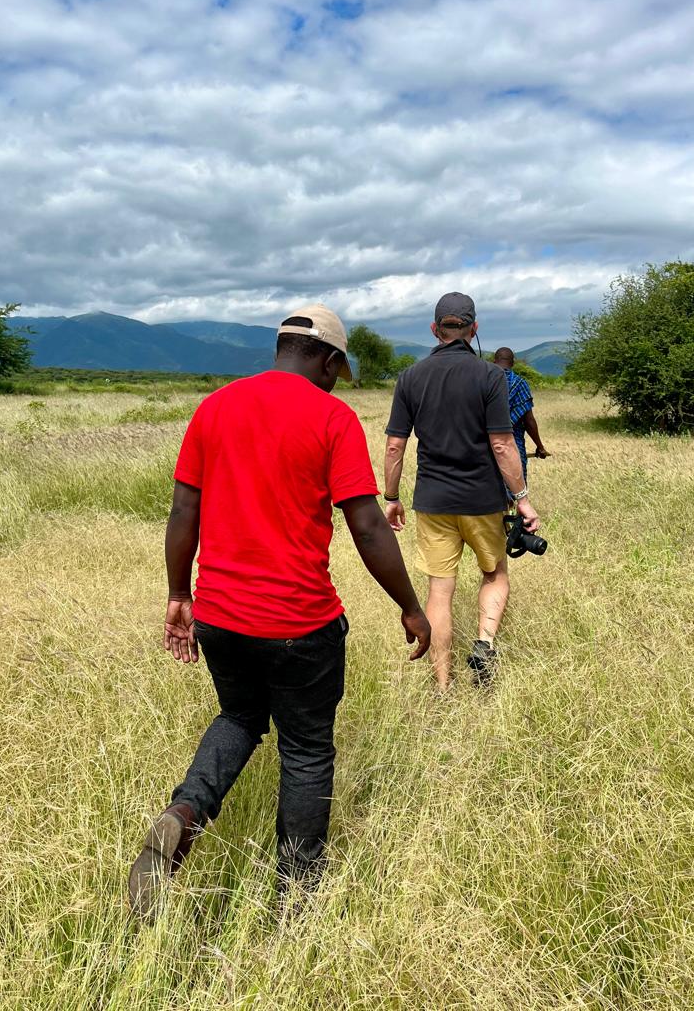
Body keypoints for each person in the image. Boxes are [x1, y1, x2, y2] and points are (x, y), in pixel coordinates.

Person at [129, 305, 431, 922]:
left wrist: (178, 594)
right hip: (299, 622)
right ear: (329, 360)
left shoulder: (216, 407)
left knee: (240, 714)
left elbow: (184, 511)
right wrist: (410, 605)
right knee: (307, 749)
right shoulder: (332, 416)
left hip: (219, 615)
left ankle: (184, 814)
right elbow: (368, 525)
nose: (332, 382)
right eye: (334, 372)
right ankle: (294, 900)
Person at [383, 293, 540, 691]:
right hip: (483, 500)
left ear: (435, 330)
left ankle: (442, 684)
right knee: (494, 572)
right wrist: (522, 498)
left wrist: (391, 497)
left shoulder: (411, 377)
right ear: (474, 329)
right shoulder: (490, 377)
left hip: (433, 502)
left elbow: (395, 446)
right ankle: (485, 644)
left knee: (439, 589)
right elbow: (503, 445)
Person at [492, 347, 551, 486]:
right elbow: (529, 420)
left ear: (494, 362)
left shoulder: (484, 382)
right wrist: (540, 447)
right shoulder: (519, 383)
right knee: (516, 489)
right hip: (513, 445)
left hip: (486, 445)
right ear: (513, 363)